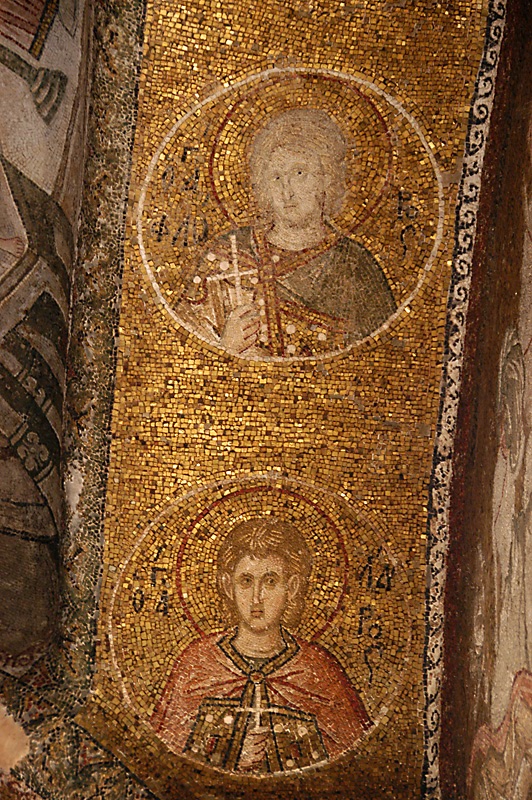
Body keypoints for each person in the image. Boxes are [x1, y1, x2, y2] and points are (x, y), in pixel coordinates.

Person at [151, 517, 371, 773]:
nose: (257, 597)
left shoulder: (320, 670)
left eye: (270, 581)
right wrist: (233, 758)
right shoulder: (197, 663)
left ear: (292, 587)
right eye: (246, 581)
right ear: (228, 586)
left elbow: (354, 767)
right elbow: (165, 764)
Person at [177, 108, 396, 358]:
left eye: (299, 173)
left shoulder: (358, 267)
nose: (286, 191)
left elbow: (383, 356)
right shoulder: (228, 255)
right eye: (276, 177)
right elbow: (184, 352)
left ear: (327, 178)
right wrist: (226, 347)